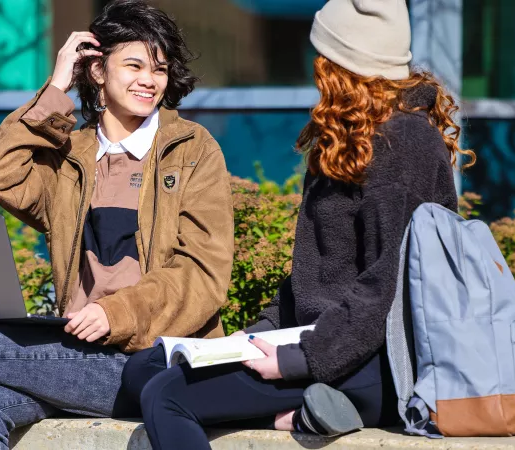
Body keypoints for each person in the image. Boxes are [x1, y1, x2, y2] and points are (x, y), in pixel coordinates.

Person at [121, 0, 476, 448]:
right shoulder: (348, 138)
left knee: (167, 396)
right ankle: (303, 414)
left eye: (323, 56)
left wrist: (298, 359)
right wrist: (255, 335)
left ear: (344, 65)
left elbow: (385, 287)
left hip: (371, 360)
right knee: (144, 371)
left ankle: (324, 406)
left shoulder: (402, 144)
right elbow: (315, 275)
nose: (316, 66)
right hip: (323, 343)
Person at [0, 1, 234, 449]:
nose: (150, 80)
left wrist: (115, 312)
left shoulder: (192, 150)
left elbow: (203, 275)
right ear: (97, 71)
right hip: (75, 354)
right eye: (134, 65)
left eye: (160, 69)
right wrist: (55, 87)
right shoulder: (70, 155)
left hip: (151, 361)